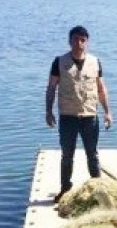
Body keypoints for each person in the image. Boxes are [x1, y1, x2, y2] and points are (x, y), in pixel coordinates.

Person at [45, 25, 113, 202]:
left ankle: (98, 191)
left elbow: (101, 89)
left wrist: (107, 112)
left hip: (90, 116)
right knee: (67, 155)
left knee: (93, 155)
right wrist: (48, 111)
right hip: (68, 117)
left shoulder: (95, 62)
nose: (79, 43)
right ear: (70, 41)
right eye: (75, 39)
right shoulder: (59, 62)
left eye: (82, 40)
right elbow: (51, 87)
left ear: (87, 42)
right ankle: (65, 188)